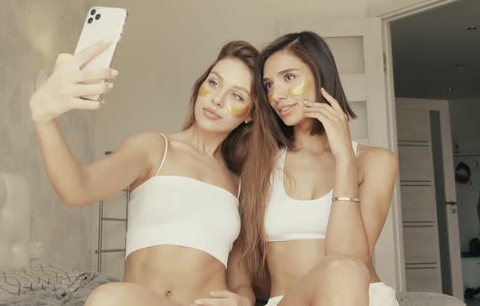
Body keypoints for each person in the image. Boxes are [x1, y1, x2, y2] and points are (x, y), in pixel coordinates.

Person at [29, 40, 258, 306]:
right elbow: (77, 188)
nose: (217, 100)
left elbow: (242, 283)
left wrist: (243, 302)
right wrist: (44, 119)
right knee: (107, 299)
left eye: (237, 96)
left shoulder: (239, 183)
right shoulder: (154, 148)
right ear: (201, 85)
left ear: (250, 115)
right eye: (214, 83)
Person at [237, 31, 400, 306]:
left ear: (321, 76)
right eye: (268, 85)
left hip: (360, 298)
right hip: (289, 301)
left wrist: (344, 158)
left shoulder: (376, 162)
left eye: (289, 77)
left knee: (342, 269)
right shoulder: (258, 164)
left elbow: (349, 259)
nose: (276, 95)